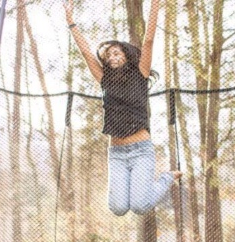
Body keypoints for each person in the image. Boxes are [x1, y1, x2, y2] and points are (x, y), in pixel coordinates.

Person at [65, 0, 182, 216]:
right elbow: (87, 54)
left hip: (141, 150)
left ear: (126, 56)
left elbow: (148, 41)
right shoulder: (104, 80)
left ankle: (167, 177)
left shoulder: (141, 74)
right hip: (117, 153)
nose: (112, 57)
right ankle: (159, 181)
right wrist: (71, 22)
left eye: (117, 53)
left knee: (140, 206)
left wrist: (155, 6)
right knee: (118, 208)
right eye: (108, 55)